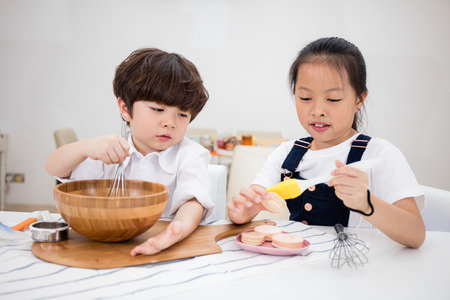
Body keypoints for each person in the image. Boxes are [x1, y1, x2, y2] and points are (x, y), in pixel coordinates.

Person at [227, 37, 426, 248]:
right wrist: (243, 212)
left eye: (333, 99)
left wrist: (365, 203)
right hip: (297, 268)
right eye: (305, 98)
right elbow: (255, 198)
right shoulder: (286, 153)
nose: (318, 110)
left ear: (359, 100)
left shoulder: (380, 155)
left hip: (357, 271)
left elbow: (416, 235)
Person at [45, 48, 213, 255]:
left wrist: (175, 231)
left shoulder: (190, 155)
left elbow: (193, 202)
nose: (170, 123)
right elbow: (53, 167)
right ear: (125, 109)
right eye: (158, 110)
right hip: (106, 243)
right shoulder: (109, 149)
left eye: (182, 114)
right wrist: (85, 147)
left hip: (162, 246)